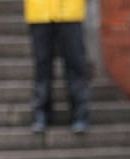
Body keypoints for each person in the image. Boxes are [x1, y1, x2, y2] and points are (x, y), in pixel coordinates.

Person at [23, 0, 92, 134]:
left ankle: (80, 114)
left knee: (75, 63)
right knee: (42, 65)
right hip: (40, 11)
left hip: (70, 10)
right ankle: (41, 114)